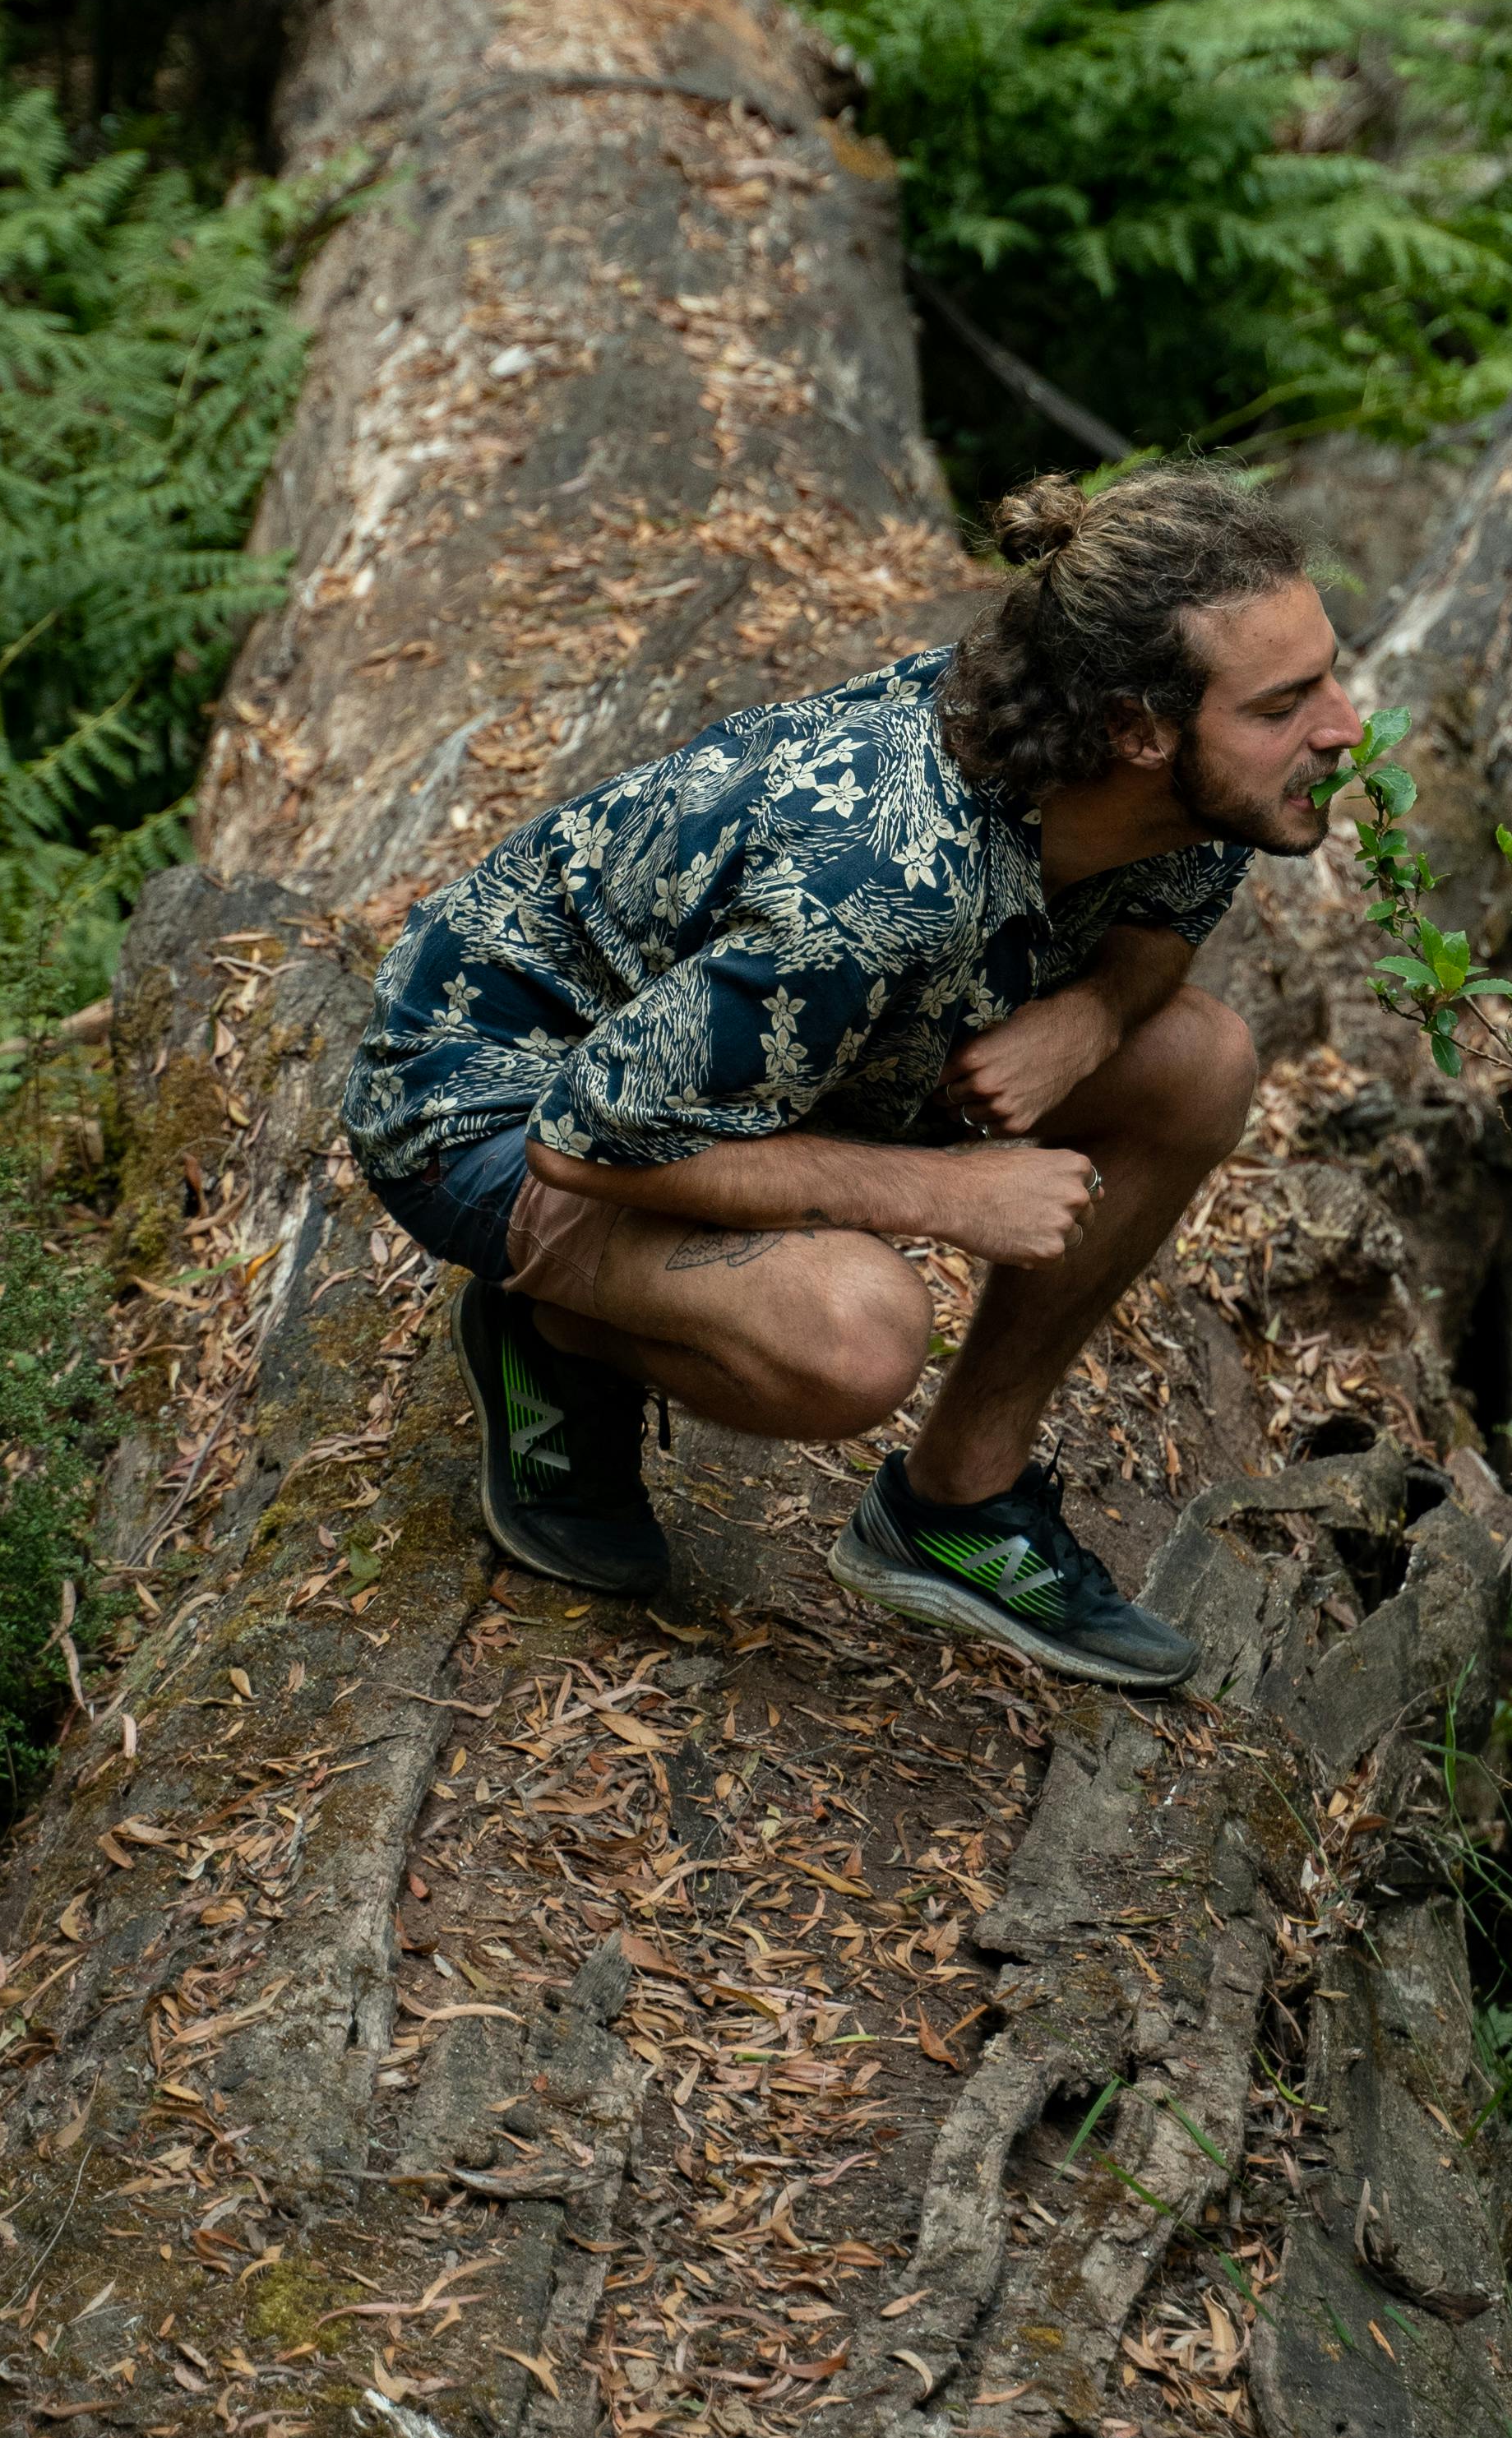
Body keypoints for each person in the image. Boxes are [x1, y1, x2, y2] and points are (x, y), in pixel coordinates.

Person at [341, 466, 1364, 1688]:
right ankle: (561, 1331)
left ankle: (957, 1504)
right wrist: (949, 1195)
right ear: (1137, 731)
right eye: (1285, 704)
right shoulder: (881, 882)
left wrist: (1092, 1017)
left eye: (1329, 676)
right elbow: (581, 1138)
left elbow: (1163, 927)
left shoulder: (1195, 789)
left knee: (1203, 1061)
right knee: (857, 1338)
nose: (1343, 726)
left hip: (767, 1056)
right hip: (495, 1101)